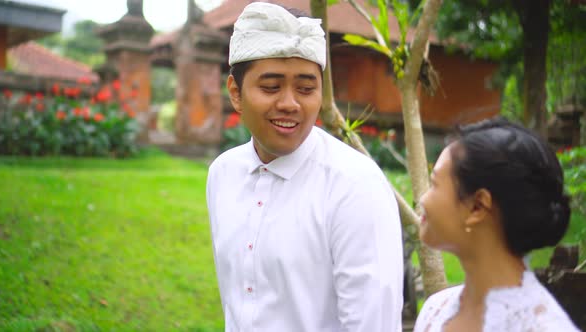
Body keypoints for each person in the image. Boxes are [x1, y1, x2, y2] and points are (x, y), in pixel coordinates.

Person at [206, 2, 403, 331]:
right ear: (236, 93)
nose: (289, 103)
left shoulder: (354, 185)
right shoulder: (223, 174)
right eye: (270, 87)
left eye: (306, 88)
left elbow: (373, 322)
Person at [414, 117, 580, 332]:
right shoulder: (436, 311)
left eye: (434, 184)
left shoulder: (543, 327)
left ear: (478, 206)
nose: (423, 200)